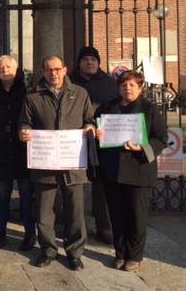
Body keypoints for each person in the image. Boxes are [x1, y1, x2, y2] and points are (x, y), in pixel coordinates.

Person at [19, 55, 95, 271]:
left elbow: (89, 119)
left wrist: (90, 128)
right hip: (45, 163)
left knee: (76, 210)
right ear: (43, 72)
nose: (53, 73)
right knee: (44, 212)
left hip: (73, 163)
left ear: (65, 69)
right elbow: (24, 121)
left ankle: (75, 252)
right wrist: (23, 132)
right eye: (49, 69)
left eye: (57, 69)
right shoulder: (33, 96)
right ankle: (48, 250)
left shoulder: (80, 93)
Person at [95, 71, 167, 272]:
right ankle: (120, 253)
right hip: (112, 169)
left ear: (140, 87)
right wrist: (96, 130)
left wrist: (141, 148)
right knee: (117, 215)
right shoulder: (108, 107)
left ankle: (134, 256)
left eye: (132, 85)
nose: (127, 88)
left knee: (137, 216)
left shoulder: (149, 109)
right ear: (118, 87)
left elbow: (161, 138)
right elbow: (94, 125)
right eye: (124, 85)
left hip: (138, 170)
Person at [0, 55, 35, 250]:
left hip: (23, 152)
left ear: (16, 68)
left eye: (8, 66)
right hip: (0, 151)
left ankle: (30, 234)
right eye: (0, 67)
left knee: (27, 195)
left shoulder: (28, 91)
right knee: (2, 195)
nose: (4, 69)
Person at [70, 45, 119, 244]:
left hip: (102, 140)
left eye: (93, 59)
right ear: (79, 63)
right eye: (86, 59)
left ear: (98, 63)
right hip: (74, 140)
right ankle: (73, 226)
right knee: (73, 184)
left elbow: (116, 108)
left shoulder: (109, 83)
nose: (90, 62)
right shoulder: (69, 81)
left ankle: (105, 227)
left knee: (101, 184)